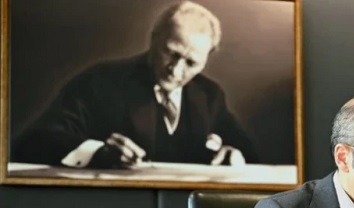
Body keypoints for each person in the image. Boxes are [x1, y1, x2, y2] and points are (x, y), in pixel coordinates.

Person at [10, 1, 257, 169]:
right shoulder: (101, 82)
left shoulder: (210, 95)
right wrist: (98, 152)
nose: (175, 69)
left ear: (206, 60)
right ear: (154, 38)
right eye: (170, 53)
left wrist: (234, 155)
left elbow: (250, 154)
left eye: (191, 63)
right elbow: (36, 140)